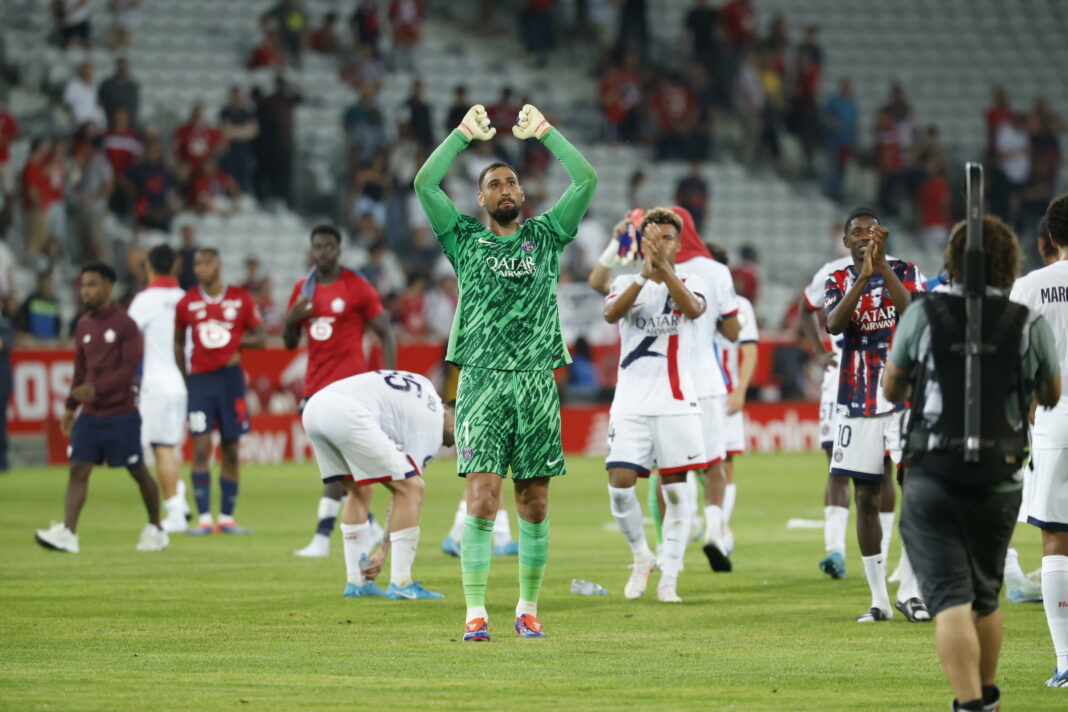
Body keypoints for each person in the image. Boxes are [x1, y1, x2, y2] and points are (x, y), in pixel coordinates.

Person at [414, 103, 597, 641]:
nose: (505, 188)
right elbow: (425, 183)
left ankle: (527, 608)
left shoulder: (547, 236)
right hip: (482, 381)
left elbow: (586, 178)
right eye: (494, 183)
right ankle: (475, 613)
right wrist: (461, 137)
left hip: (538, 381)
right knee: (483, 496)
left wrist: (545, 132)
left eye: (512, 180)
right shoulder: (464, 241)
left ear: (523, 193)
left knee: (534, 501)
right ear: (481, 199)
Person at [885, 215, 1061, 709]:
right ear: (1009, 262)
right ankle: (986, 699)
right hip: (999, 475)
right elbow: (1051, 391)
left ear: (953, 261)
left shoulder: (924, 313)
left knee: (949, 601)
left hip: (933, 471)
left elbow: (892, 386)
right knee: (985, 596)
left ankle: (971, 705)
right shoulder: (1024, 321)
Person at [824, 207, 926, 622]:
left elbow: (914, 314)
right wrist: (864, 276)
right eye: (858, 232)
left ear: (884, 235)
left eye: (872, 230)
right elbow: (834, 324)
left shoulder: (907, 270)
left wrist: (882, 268)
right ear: (846, 241)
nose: (865, 236)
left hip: (906, 400)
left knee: (916, 494)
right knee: (866, 497)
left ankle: (914, 592)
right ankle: (879, 599)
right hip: (856, 402)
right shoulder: (836, 279)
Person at [603, 208, 708, 602]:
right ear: (640, 243)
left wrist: (664, 272)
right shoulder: (627, 281)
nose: (659, 245)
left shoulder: (692, 280)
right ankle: (641, 557)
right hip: (630, 404)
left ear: (678, 244)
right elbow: (611, 312)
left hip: (677, 404)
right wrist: (647, 274)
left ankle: (671, 575)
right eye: (651, 238)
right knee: (619, 487)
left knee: (678, 493)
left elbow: (694, 310)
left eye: (666, 238)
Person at [34, 263, 167, 554]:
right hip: (91, 414)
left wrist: (97, 389)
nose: (85, 291)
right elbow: (80, 369)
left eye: (92, 285)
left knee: (137, 470)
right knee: (78, 469)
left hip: (121, 413)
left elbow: (130, 369)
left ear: (109, 286)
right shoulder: (83, 324)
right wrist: (71, 407)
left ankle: (156, 527)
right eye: (83, 286)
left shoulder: (125, 325)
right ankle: (69, 533)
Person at [284, 225, 397, 558]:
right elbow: (289, 343)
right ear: (312, 250)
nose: (323, 252)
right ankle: (372, 524)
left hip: (349, 388)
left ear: (339, 250)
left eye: (329, 246)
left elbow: (386, 333)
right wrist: (291, 320)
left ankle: (322, 537)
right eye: (317, 246)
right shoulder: (302, 291)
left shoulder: (357, 287)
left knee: (334, 461)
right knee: (339, 462)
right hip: (315, 387)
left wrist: (388, 379)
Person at [303, 369, 452, 600]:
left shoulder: (425, 385)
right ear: (453, 417)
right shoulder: (432, 427)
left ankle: (357, 581)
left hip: (315, 407)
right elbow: (404, 491)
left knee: (358, 489)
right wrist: (383, 551)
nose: (455, 443)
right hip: (347, 413)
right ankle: (402, 583)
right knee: (412, 488)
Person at [1007, 195, 1068, 687]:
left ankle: (1067, 660)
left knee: (1056, 538)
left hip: (1054, 419)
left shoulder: (1031, 285)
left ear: (1049, 239)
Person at [174, 249, 266, 535]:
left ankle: (226, 518)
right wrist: (187, 379)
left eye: (207, 263)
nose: (202, 268)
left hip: (230, 381)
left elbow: (261, 338)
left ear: (219, 264)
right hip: (201, 381)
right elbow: (177, 342)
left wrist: (234, 342)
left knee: (230, 449)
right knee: (201, 447)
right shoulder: (187, 302)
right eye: (197, 263)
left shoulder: (241, 299)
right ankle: (203, 519)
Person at [671, 207, 740, 572]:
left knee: (671, 470)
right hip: (709, 380)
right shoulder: (716, 271)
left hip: (669, 384)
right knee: (715, 463)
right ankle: (714, 532)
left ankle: (674, 552)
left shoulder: (650, 268)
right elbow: (732, 332)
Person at [127, 244, 189, 534]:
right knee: (171, 445)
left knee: (161, 447)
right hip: (184, 383)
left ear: (149, 266)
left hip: (158, 383)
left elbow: (126, 339)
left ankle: (175, 511)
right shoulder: (186, 298)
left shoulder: (144, 300)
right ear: (175, 266)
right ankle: (181, 500)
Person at [709, 243, 758, 550]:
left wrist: (741, 391)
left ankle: (721, 529)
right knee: (680, 466)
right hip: (693, 393)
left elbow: (749, 348)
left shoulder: (740, 306)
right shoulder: (689, 301)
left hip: (726, 395)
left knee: (726, 463)